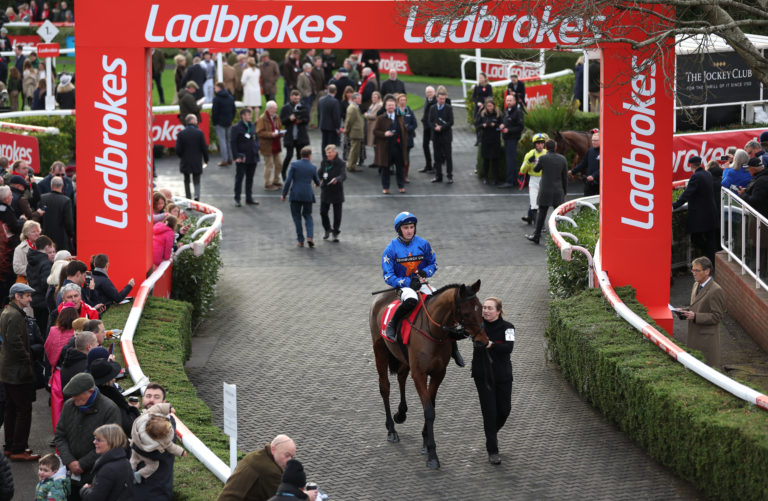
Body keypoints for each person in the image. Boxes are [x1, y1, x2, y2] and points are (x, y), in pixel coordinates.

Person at [381, 212, 463, 366]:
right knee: (411, 299)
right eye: (406, 228)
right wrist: (406, 282)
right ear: (399, 230)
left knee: (444, 301)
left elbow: (433, 264)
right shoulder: (390, 249)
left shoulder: (423, 244)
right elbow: (387, 276)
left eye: (412, 227)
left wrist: (426, 272)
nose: (409, 230)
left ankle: (454, 346)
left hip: (422, 284)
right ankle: (392, 324)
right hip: (404, 288)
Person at [55, 373, 121, 498]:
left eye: (76, 395)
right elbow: (60, 436)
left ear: (90, 392)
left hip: (95, 478)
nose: (73, 398)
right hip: (69, 474)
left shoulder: (110, 410)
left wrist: (82, 464)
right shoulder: (69, 406)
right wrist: (70, 461)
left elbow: (111, 445)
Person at [473, 297, 515, 465]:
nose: (486, 311)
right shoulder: (477, 326)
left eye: (490, 308)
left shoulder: (508, 327)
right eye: (484, 308)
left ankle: (491, 433)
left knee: (504, 410)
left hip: (503, 375)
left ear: (498, 311)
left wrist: (491, 344)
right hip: (483, 376)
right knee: (489, 413)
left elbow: (508, 348)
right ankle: (492, 450)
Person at [0, 283, 40, 461]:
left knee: (11, 409)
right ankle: (18, 449)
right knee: (23, 410)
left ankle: (10, 446)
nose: (30, 299)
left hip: (9, 370)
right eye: (27, 296)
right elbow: (14, 342)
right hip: (17, 372)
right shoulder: (15, 315)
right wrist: (27, 359)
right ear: (17, 296)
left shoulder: (8, 312)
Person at [128, 383, 177, 500]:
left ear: (164, 402)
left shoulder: (167, 424)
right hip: (134, 488)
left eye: (156, 397)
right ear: (143, 399)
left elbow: (156, 452)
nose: (151, 400)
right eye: (148, 396)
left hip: (155, 490)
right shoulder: (139, 418)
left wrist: (133, 444)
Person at [217, 434, 298, 501]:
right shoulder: (270, 471)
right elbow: (284, 498)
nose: (289, 461)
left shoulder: (255, 455)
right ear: (273, 449)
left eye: (291, 457)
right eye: (287, 455)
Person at [678, 257, 725, 368]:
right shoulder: (696, 285)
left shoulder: (715, 290)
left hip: (706, 341)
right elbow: (695, 306)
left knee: (707, 371)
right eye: (692, 270)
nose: (693, 273)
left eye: (697, 270)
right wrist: (684, 311)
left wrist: (695, 316)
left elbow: (717, 316)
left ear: (707, 271)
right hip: (695, 336)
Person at [672, 156, 718, 265]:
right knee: (711, 240)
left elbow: (687, 194)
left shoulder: (696, 176)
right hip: (711, 213)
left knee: (696, 239)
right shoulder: (708, 174)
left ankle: (708, 260)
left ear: (690, 165)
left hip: (700, 216)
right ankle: (712, 262)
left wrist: (675, 205)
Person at [129, 402, 185, 482]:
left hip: (136, 448)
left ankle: (130, 469)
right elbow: (172, 448)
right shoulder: (162, 441)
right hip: (147, 456)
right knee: (153, 465)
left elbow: (157, 407)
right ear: (160, 436)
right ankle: (139, 474)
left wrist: (168, 407)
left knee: (133, 459)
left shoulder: (146, 417)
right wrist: (182, 452)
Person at [526, 139, 568, 245]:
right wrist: (565, 192)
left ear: (546, 148)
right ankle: (562, 237)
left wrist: (535, 162)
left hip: (545, 191)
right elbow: (565, 177)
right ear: (556, 147)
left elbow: (535, 170)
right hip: (558, 191)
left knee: (542, 214)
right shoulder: (562, 159)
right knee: (559, 215)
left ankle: (536, 236)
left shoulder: (543, 158)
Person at [79, 424, 134, 501]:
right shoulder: (125, 462)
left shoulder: (108, 469)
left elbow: (94, 499)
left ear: (112, 441)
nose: (94, 442)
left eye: (98, 440)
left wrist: (84, 490)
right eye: (95, 439)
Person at [281, 147, 320, 248]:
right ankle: (310, 237)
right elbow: (317, 181)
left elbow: (288, 180)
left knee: (296, 217)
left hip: (296, 194)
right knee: (308, 216)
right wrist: (316, 183)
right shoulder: (313, 167)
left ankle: (300, 240)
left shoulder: (294, 165)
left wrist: (284, 194)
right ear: (310, 156)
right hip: (308, 194)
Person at [374, 95, 409, 194]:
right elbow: (375, 131)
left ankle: (401, 186)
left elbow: (404, 131)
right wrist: (384, 134)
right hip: (386, 148)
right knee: (385, 169)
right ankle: (385, 187)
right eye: (389, 105)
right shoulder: (380, 118)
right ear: (385, 107)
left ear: (395, 106)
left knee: (400, 168)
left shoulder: (400, 118)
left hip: (398, 148)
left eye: (392, 105)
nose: (391, 107)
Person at [230, 108, 261, 207]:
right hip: (242, 157)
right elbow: (233, 143)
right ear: (243, 116)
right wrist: (236, 156)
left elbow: (255, 137)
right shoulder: (236, 127)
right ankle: (237, 199)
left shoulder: (252, 125)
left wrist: (257, 147)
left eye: (250, 115)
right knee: (239, 178)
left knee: (250, 178)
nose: (250, 116)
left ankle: (249, 198)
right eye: (248, 115)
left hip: (252, 156)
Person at [175, 114, 209, 201]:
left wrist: (182, 156)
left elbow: (178, 149)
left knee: (186, 180)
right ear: (193, 121)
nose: (197, 122)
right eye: (196, 120)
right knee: (196, 179)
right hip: (197, 161)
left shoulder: (181, 134)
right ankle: (197, 196)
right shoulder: (199, 133)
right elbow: (204, 148)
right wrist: (206, 159)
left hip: (185, 161)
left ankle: (188, 197)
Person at [26, 235, 55, 334]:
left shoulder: (31, 261)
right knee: (46, 330)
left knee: (40, 329)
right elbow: (46, 284)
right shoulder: (45, 262)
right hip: (44, 302)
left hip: (35, 300)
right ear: (47, 247)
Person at [318, 144, 346, 242]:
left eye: (330, 152)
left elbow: (343, 175)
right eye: (327, 153)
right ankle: (327, 229)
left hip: (337, 191)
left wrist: (337, 179)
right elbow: (320, 173)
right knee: (322, 212)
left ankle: (335, 232)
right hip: (325, 190)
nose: (328, 155)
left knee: (337, 214)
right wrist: (316, 180)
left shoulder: (341, 163)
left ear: (335, 153)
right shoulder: (324, 162)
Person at [519, 133, 549, 225]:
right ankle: (538, 226)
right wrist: (528, 162)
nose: (540, 145)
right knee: (533, 203)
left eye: (542, 143)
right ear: (534, 144)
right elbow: (522, 170)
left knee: (543, 204)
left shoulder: (547, 154)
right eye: (538, 143)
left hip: (545, 180)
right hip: (533, 180)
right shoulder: (529, 154)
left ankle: (541, 224)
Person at [280, 90, 310, 181]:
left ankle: (299, 174)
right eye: (294, 97)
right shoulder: (286, 108)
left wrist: (301, 121)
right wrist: (289, 119)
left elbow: (307, 119)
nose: (296, 99)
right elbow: (282, 121)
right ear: (290, 97)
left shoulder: (304, 107)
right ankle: (283, 172)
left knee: (300, 156)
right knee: (289, 155)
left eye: (297, 97)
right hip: (290, 135)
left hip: (300, 135)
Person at [256, 101, 284, 191]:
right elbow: (259, 132)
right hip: (267, 146)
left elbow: (279, 127)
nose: (276, 109)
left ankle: (276, 180)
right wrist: (271, 134)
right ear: (269, 109)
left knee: (279, 163)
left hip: (276, 143)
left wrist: (281, 132)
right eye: (275, 108)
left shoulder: (276, 117)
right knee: (269, 165)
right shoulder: (262, 119)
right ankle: (267, 183)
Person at [498, 93, 524, 189]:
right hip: (506, 138)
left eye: (510, 100)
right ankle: (512, 180)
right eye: (507, 100)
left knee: (511, 159)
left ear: (514, 101)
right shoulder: (506, 111)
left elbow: (520, 127)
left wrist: (509, 130)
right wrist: (502, 126)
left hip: (513, 138)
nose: (508, 102)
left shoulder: (517, 112)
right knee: (509, 159)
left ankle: (511, 181)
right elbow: (505, 122)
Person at [428, 90, 454, 184]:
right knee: (437, 157)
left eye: (444, 99)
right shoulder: (432, 108)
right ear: (437, 98)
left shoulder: (449, 108)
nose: (442, 100)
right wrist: (435, 127)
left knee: (448, 156)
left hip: (446, 136)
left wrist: (441, 127)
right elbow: (429, 121)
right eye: (440, 98)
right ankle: (438, 176)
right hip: (436, 136)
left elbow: (451, 122)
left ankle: (449, 176)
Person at [476, 98, 502, 185]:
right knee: (486, 160)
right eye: (487, 106)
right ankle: (486, 178)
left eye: (491, 106)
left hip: (495, 140)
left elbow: (501, 125)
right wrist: (483, 125)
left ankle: (495, 178)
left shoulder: (498, 114)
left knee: (495, 160)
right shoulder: (482, 114)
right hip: (485, 139)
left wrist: (496, 125)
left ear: (494, 106)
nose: (489, 108)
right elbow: (477, 125)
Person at [569, 129, 600, 196]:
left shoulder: (604, 151)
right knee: (587, 201)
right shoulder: (590, 150)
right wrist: (573, 171)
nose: (593, 142)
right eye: (592, 140)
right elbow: (583, 164)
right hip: (589, 182)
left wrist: (594, 175)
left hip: (600, 183)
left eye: (595, 140)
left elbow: (605, 168)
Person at [212, 82, 236, 167]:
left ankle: (224, 160)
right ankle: (230, 158)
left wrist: (214, 122)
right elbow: (234, 110)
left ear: (219, 88)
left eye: (215, 88)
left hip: (219, 123)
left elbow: (215, 112)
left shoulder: (217, 99)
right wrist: (231, 119)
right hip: (228, 122)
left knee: (222, 142)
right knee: (228, 141)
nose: (214, 89)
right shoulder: (230, 97)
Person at [318, 84, 341, 160]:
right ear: (335, 92)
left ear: (328, 91)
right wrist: (338, 127)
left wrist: (319, 124)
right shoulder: (335, 102)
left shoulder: (321, 100)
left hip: (323, 125)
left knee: (324, 143)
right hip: (331, 127)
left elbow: (319, 114)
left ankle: (324, 157)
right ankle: (329, 158)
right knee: (330, 144)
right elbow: (336, 116)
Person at [343, 92, 364, 172]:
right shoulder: (352, 108)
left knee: (355, 150)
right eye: (359, 98)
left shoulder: (355, 107)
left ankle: (352, 165)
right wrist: (346, 130)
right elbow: (349, 121)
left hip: (356, 132)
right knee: (354, 150)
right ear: (354, 99)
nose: (360, 100)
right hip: (355, 132)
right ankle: (351, 166)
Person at [471, 73, 493, 145]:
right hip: (478, 107)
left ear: (485, 78)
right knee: (477, 122)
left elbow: (490, 96)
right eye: (479, 78)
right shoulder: (477, 87)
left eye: (481, 78)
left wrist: (485, 103)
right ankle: (478, 139)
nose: (480, 79)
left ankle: (484, 138)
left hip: (486, 107)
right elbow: (474, 97)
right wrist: (477, 103)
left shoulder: (489, 86)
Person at [419, 86, 437, 174]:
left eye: (430, 92)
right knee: (425, 145)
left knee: (435, 147)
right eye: (427, 92)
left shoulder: (436, 101)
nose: (429, 94)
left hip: (433, 128)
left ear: (434, 92)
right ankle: (428, 165)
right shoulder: (427, 100)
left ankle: (436, 166)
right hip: (426, 127)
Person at [364, 91, 383, 164]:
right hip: (371, 126)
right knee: (375, 146)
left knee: (376, 145)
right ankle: (376, 161)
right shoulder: (374, 104)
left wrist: (367, 115)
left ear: (378, 98)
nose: (373, 98)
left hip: (374, 126)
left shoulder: (379, 105)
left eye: (375, 97)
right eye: (372, 97)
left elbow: (375, 115)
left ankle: (377, 161)